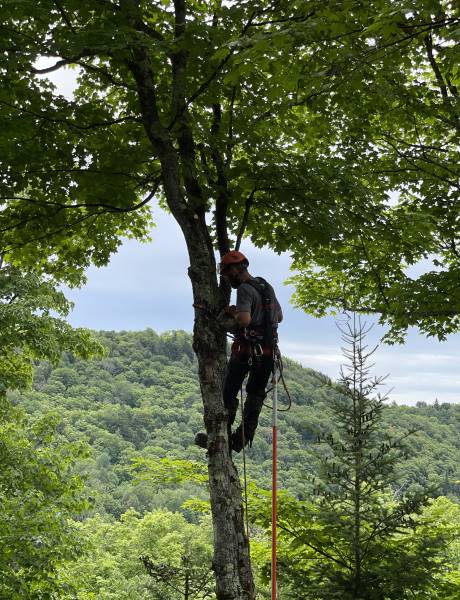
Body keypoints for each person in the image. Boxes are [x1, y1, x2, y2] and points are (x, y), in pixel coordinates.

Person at [195, 251, 283, 453]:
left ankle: (221, 436)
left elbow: (244, 321)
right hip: (268, 353)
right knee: (255, 396)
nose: (227, 278)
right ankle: (240, 439)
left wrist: (234, 313)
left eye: (227, 273)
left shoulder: (244, 288)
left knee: (228, 392)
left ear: (235, 269)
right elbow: (279, 316)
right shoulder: (265, 285)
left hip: (247, 352)